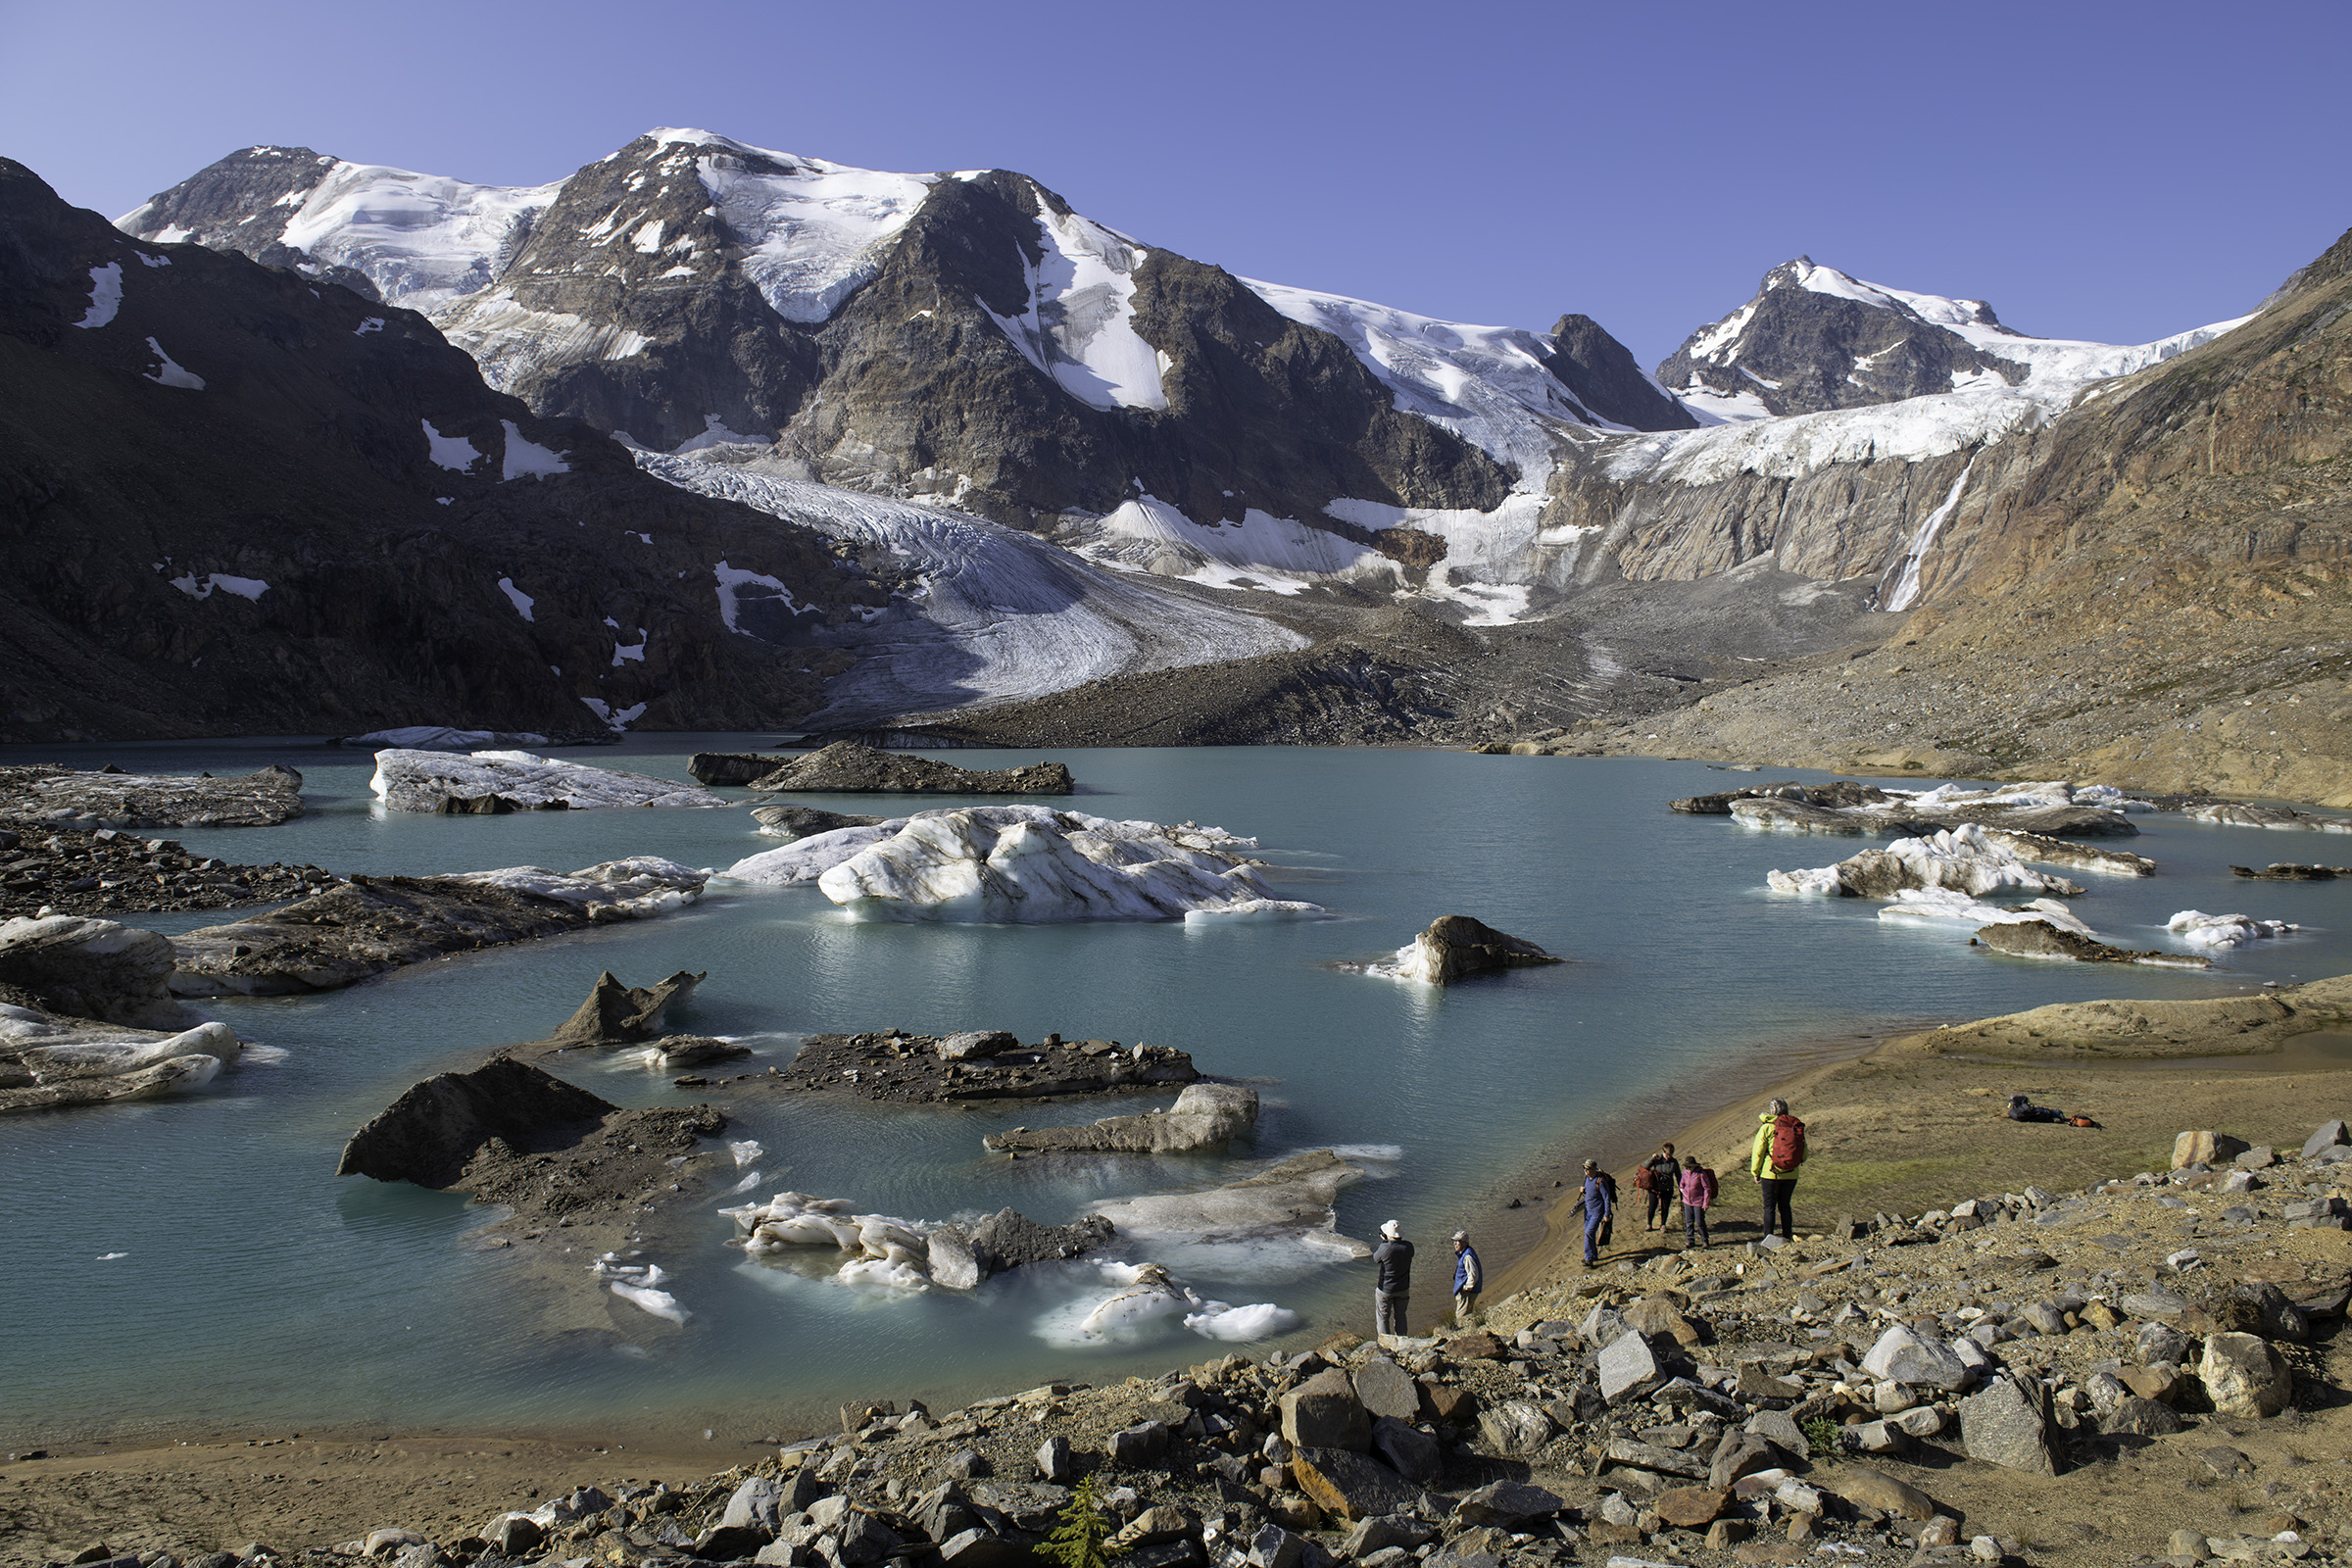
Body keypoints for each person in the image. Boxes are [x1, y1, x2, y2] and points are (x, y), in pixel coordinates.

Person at [1749, 1097, 1806, 1243]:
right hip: (1792, 1174)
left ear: (1772, 1111)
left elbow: (1758, 1152)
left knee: (1769, 1207)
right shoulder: (1794, 1127)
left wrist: (1755, 1172)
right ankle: (1787, 1237)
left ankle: (1768, 1239)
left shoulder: (1767, 1127)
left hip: (1771, 1174)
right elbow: (1804, 1153)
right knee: (1785, 1206)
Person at [1373, 1219, 1413, 1340]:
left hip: (1386, 1289)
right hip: (1403, 1287)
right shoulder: (1409, 1246)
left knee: (1383, 1318)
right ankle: (1402, 1341)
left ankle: (1385, 1343)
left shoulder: (1385, 1248)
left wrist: (1384, 1242)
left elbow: (1376, 1259)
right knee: (1401, 1316)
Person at [1578, 1158, 1614, 1266]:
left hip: (1597, 1212)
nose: (1585, 1170)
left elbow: (1606, 1198)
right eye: (1584, 1168)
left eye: (1587, 1169)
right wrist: (1583, 1191)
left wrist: (1607, 1215)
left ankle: (1588, 1258)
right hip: (1587, 1211)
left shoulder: (1600, 1181)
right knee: (1589, 1234)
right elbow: (1589, 1194)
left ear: (1593, 1169)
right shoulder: (1587, 1178)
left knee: (1589, 1233)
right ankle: (1593, 1254)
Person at [1678, 1153, 1716, 1249]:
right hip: (1687, 1201)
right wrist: (1683, 1191)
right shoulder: (1685, 1173)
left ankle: (1705, 1240)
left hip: (1699, 1202)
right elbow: (1681, 1184)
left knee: (1700, 1222)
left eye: (1690, 1167)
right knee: (1689, 1222)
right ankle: (1690, 1240)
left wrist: (1706, 1203)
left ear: (1695, 1166)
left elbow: (1707, 1189)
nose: (1688, 1168)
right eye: (1687, 1167)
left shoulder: (1701, 1174)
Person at [1642, 1143, 1681, 1232]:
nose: (1668, 1157)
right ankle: (1649, 1224)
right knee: (1652, 1206)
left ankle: (1663, 1225)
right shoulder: (1657, 1159)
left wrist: (1681, 1187)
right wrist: (1652, 1158)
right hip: (1655, 1188)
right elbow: (1644, 1166)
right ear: (1663, 1151)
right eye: (1667, 1155)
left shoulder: (1674, 1162)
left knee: (1665, 1207)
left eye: (1670, 1155)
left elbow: (1678, 1175)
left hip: (1667, 1188)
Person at [1451, 1231, 1483, 1325]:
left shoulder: (1467, 1256)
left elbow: (1473, 1274)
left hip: (1467, 1293)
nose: (1455, 1244)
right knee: (1466, 1315)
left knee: (1461, 1317)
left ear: (1464, 1242)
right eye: (1454, 1241)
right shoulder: (1466, 1253)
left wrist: (1466, 1288)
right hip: (1468, 1292)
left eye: (1458, 1241)